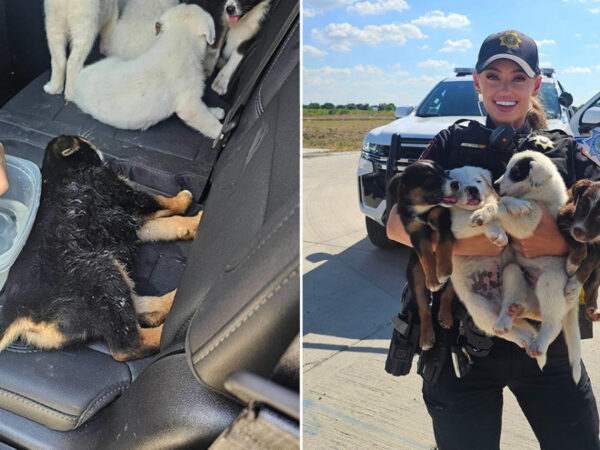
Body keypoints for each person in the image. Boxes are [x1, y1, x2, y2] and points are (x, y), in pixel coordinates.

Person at [387, 30, 600, 450]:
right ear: (478, 84)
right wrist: (496, 243)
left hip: (546, 343)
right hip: (463, 345)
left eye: (517, 78)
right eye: (493, 76)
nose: (505, 89)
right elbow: (397, 224)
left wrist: (560, 249)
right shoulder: (450, 144)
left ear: (536, 85)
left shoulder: (564, 151)